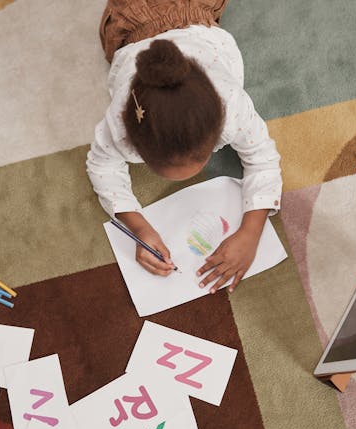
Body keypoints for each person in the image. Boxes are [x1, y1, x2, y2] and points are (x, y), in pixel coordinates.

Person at [87, 0, 282, 294]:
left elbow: (264, 158)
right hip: (136, 25)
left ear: (219, 129)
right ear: (135, 146)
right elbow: (101, 165)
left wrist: (250, 232)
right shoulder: (120, 124)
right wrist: (138, 226)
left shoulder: (231, 106)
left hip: (193, 19)